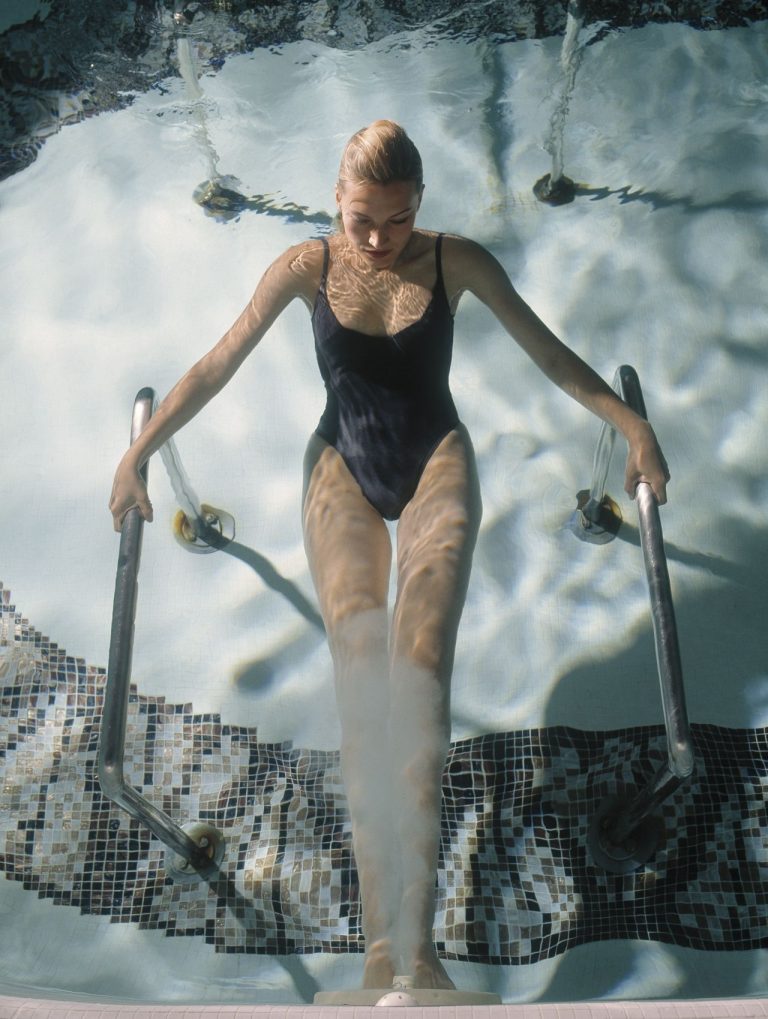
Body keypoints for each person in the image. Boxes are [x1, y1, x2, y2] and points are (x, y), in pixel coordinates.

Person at [109, 120, 669, 990]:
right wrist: (138, 453)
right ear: (337, 199)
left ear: (419, 206)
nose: (378, 240)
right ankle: (383, 948)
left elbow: (548, 352)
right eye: (364, 219)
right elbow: (219, 362)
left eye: (398, 219)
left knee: (421, 675)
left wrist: (630, 424)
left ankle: (422, 945)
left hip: (436, 461)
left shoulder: (458, 261)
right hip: (341, 466)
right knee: (365, 682)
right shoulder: (305, 268)